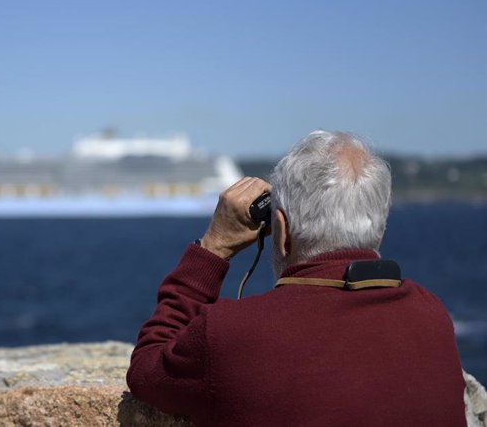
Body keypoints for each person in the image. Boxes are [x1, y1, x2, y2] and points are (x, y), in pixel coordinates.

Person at [126, 130, 466, 426]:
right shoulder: (432, 316)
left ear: (282, 230)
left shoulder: (230, 334)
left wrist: (213, 247)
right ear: (379, 227)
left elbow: (146, 371)